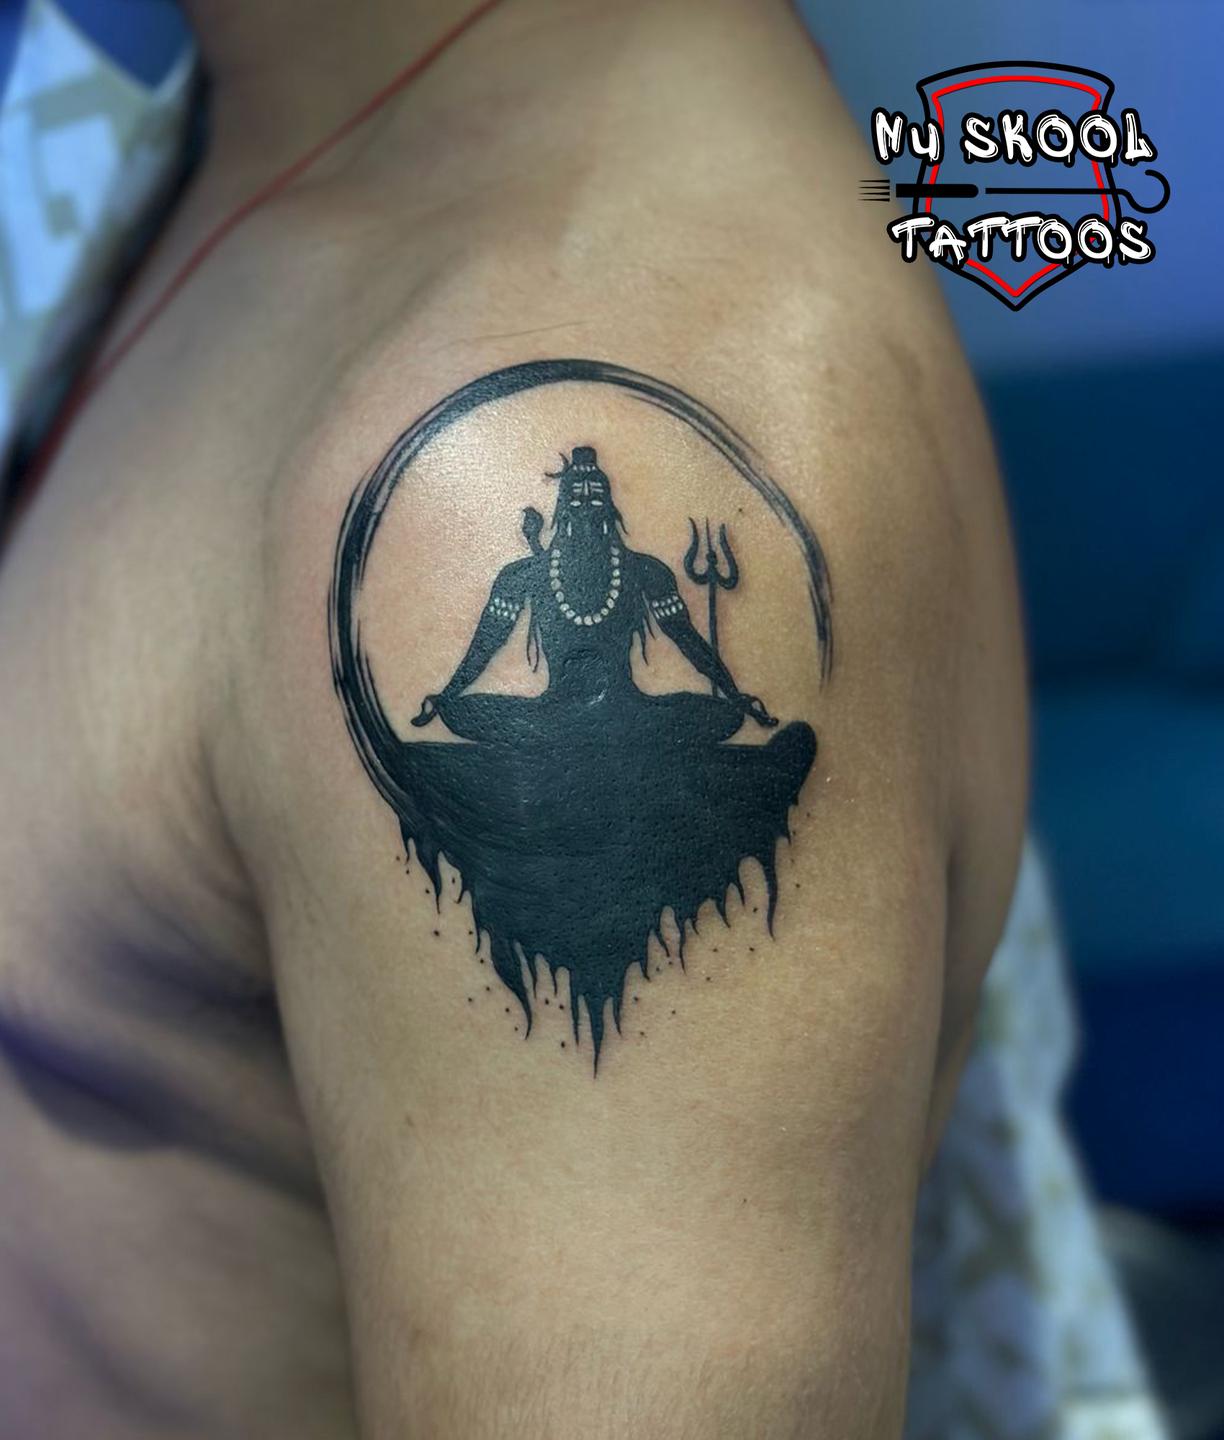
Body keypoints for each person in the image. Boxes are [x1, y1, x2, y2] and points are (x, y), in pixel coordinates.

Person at [0, 2, 1026, 1437]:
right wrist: (444, 698)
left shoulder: (505, 401)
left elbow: (689, 650)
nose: (592, 516)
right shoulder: (230, 147)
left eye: (602, 508)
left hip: (608, 749)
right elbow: (487, 651)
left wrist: (727, 703)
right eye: (583, 510)